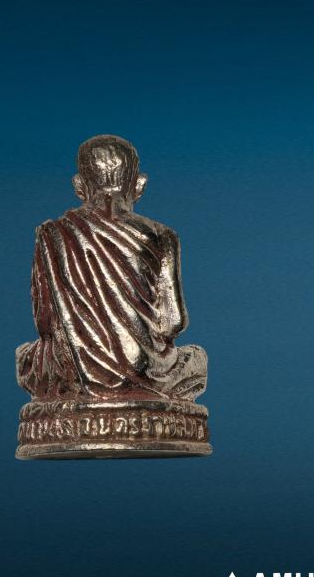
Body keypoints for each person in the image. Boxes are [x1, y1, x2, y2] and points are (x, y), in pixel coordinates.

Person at [16, 134, 208, 402]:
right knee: (197, 358)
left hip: (72, 370)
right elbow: (173, 322)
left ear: (79, 185)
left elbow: (45, 321)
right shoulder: (162, 236)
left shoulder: (53, 234)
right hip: (146, 367)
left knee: (25, 358)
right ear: (140, 185)